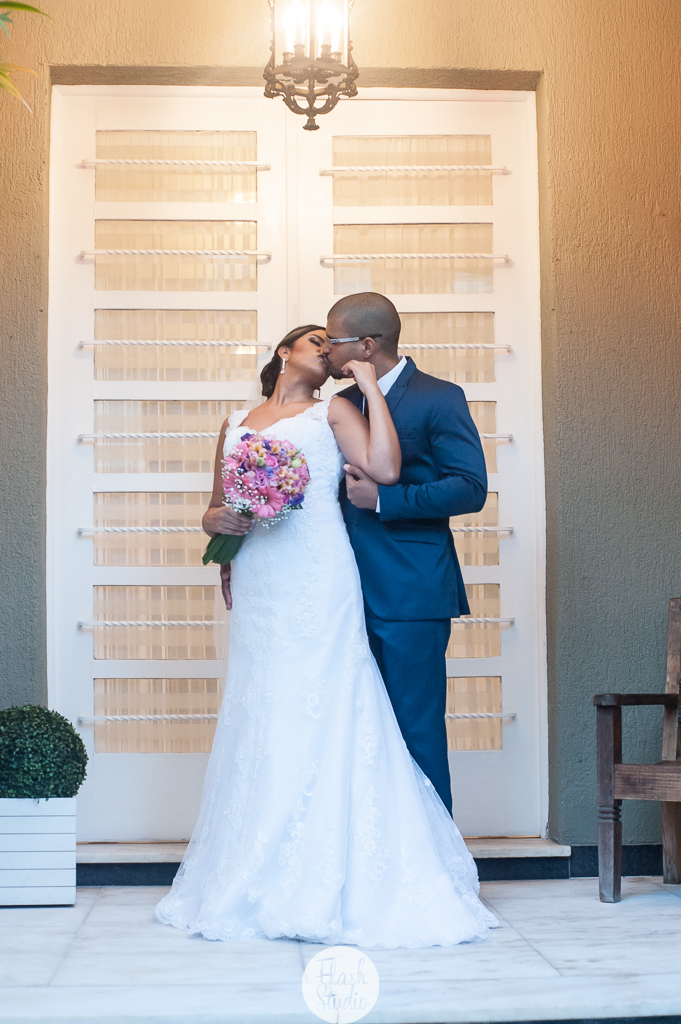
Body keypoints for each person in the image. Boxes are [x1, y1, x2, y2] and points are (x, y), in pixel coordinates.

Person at [154, 324, 497, 947]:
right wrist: (221, 524)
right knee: (266, 709)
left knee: (340, 703)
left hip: (320, 570)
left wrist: (367, 383)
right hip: (262, 575)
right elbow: (214, 505)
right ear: (284, 352)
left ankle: (386, 864)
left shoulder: (336, 409)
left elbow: (386, 469)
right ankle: (261, 859)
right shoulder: (235, 420)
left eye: (332, 340)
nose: (326, 349)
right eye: (314, 340)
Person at [323, 293, 487, 815]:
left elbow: (469, 487)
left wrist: (386, 499)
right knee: (355, 732)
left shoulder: (440, 397)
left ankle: (438, 870)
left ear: (366, 346)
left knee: (414, 728)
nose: (326, 350)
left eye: (334, 341)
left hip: (412, 590)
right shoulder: (341, 407)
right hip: (340, 591)